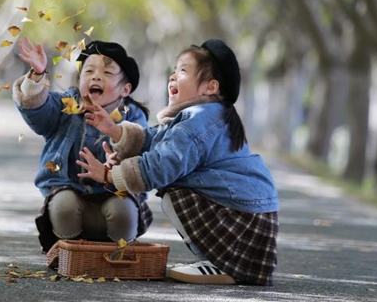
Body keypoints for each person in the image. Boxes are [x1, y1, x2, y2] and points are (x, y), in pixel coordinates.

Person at [77, 39, 279, 285]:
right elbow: (155, 139)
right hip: (250, 214)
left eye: (182, 71)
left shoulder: (199, 121)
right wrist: (114, 130)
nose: (172, 77)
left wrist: (109, 176)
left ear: (210, 87)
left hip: (244, 219)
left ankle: (221, 265)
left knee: (173, 192)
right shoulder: (205, 114)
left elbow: (161, 167)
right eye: (173, 71)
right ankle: (220, 262)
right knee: (174, 186)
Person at [13, 36, 152, 252]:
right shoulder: (66, 106)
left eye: (107, 73)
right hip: (70, 199)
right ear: (79, 81)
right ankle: (73, 253)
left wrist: (116, 136)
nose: (96, 77)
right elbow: (38, 111)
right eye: (89, 71)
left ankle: (116, 254)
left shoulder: (133, 116)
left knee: (123, 210)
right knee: (64, 205)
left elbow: (141, 147)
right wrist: (38, 75)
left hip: (114, 200)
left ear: (125, 89)